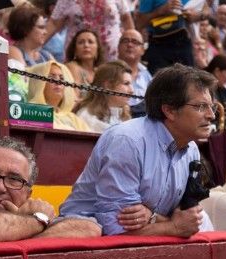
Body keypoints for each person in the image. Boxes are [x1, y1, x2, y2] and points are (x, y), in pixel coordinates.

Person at [58, 64, 216, 236]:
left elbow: (186, 215)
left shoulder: (191, 148)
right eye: (200, 106)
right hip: (80, 236)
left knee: (205, 224)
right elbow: (116, 228)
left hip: (139, 244)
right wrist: (173, 227)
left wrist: (154, 217)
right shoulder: (128, 141)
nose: (211, 115)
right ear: (169, 110)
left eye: (211, 107)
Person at [136, 0, 209, 74]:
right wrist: (160, 11)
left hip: (184, 43)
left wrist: (198, 16)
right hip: (159, 44)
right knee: (160, 83)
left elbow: (206, 8)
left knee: (187, 82)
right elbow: (139, 23)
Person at [46, 0, 134, 61]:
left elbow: (126, 18)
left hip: (111, 58)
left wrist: (134, 42)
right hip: (77, 59)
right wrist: (34, 47)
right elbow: (54, 23)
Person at [27, 60, 92, 131]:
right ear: (37, 84)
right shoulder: (31, 112)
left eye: (62, 78)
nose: (58, 82)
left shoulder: (74, 119)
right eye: (51, 78)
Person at [72, 60, 133, 133]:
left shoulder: (124, 117)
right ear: (108, 86)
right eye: (126, 84)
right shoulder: (86, 116)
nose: (132, 90)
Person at [117, 29, 152, 118]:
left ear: (143, 50)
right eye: (125, 41)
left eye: (135, 42)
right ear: (118, 47)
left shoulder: (147, 75)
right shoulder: (108, 71)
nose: (129, 45)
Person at [65, 29, 105, 97]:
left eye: (90, 42)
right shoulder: (73, 67)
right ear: (75, 50)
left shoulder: (100, 71)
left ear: (97, 49)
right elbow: (74, 99)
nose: (86, 45)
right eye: (81, 42)